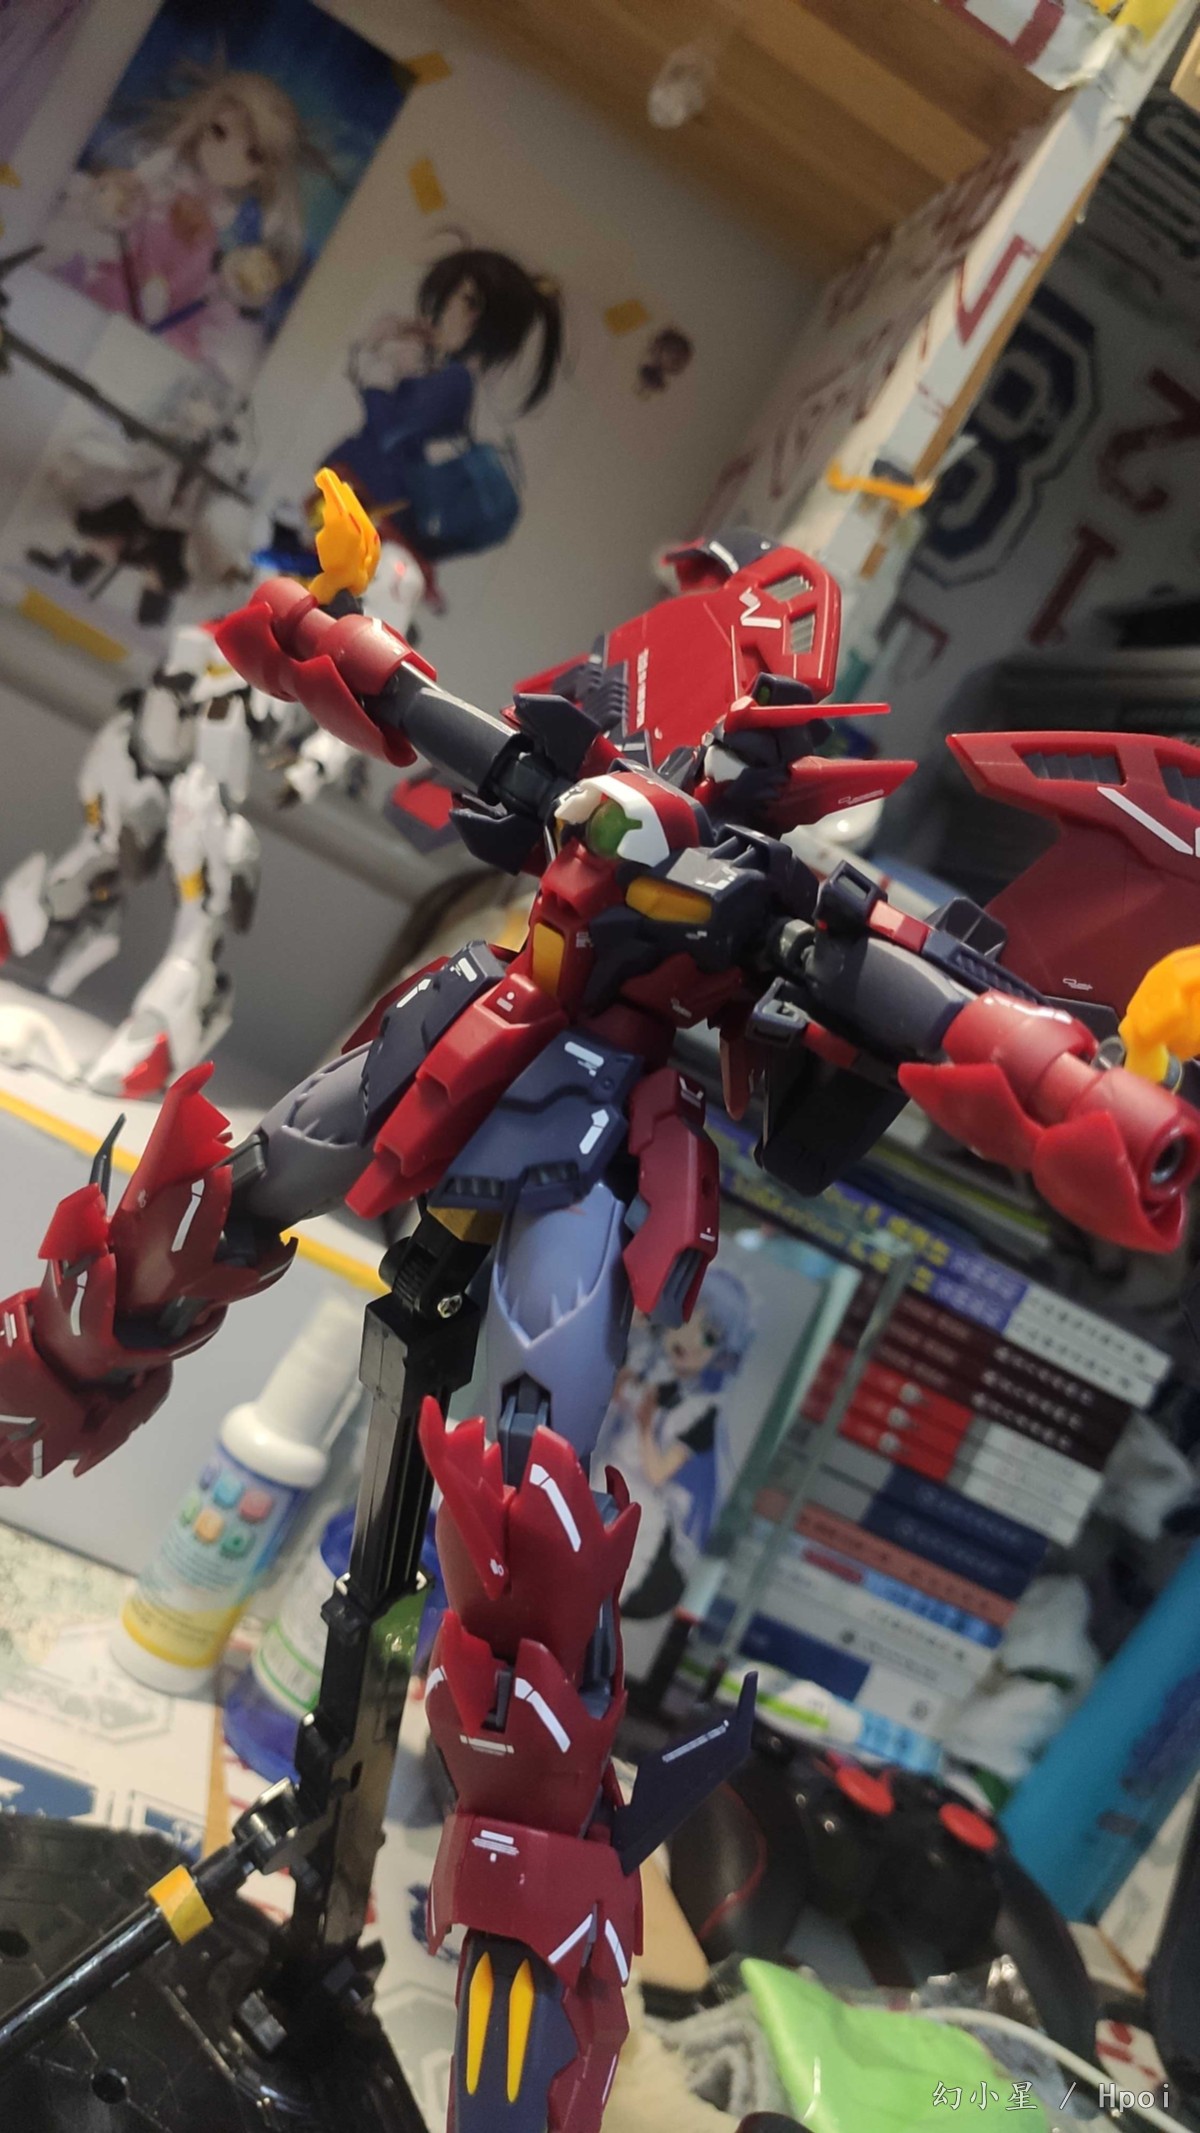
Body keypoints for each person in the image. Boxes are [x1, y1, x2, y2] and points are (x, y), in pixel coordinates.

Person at [311, 243, 565, 601]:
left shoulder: (455, 382)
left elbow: (389, 432)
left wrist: (375, 369)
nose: (442, 311)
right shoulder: (442, 374)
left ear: (478, 316)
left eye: (459, 300)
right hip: (357, 518)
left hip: (372, 525)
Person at [43, 66, 312, 378]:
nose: (227, 157)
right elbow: (134, 181)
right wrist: (122, 193)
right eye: (219, 132)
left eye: (252, 155)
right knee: (138, 252)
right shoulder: (170, 166)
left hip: (187, 262)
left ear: (264, 171)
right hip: (147, 237)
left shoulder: (227, 209)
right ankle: (144, 293)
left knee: (191, 276)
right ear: (202, 124)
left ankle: (158, 302)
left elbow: (222, 246)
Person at [597, 1268, 753, 1619]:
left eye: (709, 1336)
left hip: (635, 1503)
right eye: (687, 1320)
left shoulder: (700, 1411)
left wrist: (645, 1425)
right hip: (599, 1474)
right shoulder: (645, 1367)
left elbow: (657, 1473)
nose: (690, 1339)